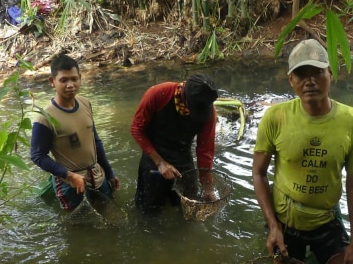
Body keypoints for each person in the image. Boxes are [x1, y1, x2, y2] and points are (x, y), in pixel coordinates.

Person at [252, 39, 353, 264]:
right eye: (301, 75)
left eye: (317, 73)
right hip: (284, 221)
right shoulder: (276, 117)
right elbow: (258, 174)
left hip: (325, 221)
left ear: (331, 74)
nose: (310, 81)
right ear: (291, 80)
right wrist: (272, 226)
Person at [30, 54, 120, 210]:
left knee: (109, 210)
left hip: (97, 175)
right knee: (77, 227)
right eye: (63, 80)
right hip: (70, 183)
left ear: (80, 78)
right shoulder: (45, 118)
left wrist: (110, 173)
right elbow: (37, 155)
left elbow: (95, 141)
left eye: (73, 79)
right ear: (53, 82)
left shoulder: (85, 103)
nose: (70, 85)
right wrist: (69, 176)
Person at [130, 74, 219, 215]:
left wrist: (208, 187)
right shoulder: (158, 94)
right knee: (147, 212)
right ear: (185, 96)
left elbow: (205, 150)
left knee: (189, 210)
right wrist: (160, 163)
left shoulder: (208, 112)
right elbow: (137, 129)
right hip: (153, 159)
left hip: (183, 159)